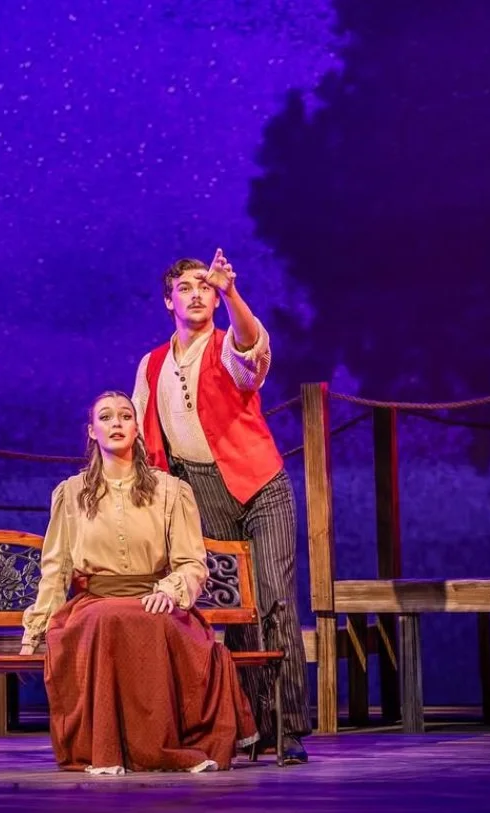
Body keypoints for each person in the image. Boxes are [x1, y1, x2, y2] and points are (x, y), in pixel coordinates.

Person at [131, 248, 311, 764]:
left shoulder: (226, 342)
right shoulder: (153, 364)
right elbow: (145, 436)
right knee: (233, 608)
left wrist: (232, 291)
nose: (195, 295)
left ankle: (289, 726)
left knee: (273, 599)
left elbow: (251, 352)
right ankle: (248, 724)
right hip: (199, 491)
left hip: (259, 486)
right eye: (185, 288)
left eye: (203, 288)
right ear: (169, 301)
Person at [19, 390, 258, 775]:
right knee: (107, 620)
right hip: (94, 603)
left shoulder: (171, 491)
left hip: (155, 598)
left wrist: (170, 589)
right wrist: (38, 628)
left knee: (152, 621)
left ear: (137, 429)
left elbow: (191, 561)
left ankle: (162, 747)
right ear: (92, 432)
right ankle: (105, 749)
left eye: (126, 416)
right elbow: (57, 567)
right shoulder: (72, 494)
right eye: (107, 417)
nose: (116, 423)